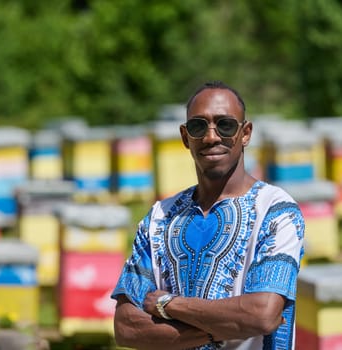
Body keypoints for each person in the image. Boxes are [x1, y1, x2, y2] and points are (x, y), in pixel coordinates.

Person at [111, 80, 305, 350]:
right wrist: (223, 327)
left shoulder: (276, 211)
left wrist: (168, 304)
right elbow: (126, 328)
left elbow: (262, 314)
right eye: (198, 126)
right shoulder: (158, 219)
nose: (211, 136)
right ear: (185, 136)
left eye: (225, 125)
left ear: (245, 133)